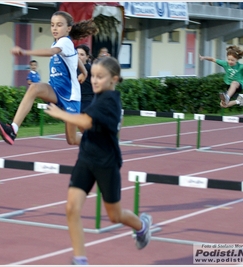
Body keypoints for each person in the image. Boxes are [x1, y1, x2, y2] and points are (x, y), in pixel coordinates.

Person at [44, 57, 152, 265]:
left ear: (114, 79)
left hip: (106, 163)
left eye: (100, 77)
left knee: (115, 215)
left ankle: (142, 225)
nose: (94, 80)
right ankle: (80, 259)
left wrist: (61, 113)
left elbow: (85, 121)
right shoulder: (97, 98)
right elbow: (84, 127)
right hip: (86, 158)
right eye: (93, 76)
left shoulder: (110, 101)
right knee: (71, 208)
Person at [0, 11, 98, 145]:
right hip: (55, 91)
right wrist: (84, 72)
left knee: (71, 139)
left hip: (70, 97)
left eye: (59, 25)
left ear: (68, 28)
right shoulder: (62, 44)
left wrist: (26, 52)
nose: (54, 28)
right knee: (34, 88)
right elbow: (74, 57)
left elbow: (51, 52)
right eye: (52, 25)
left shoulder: (64, 42)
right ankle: (13, 129)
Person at [76, 44, 94, 112]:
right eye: (77, 54)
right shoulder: (72, 68)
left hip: (87, 100)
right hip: (75, 99)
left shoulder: (90, 69)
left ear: (87, 57)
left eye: (82, 54)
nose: (78, 56)